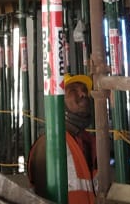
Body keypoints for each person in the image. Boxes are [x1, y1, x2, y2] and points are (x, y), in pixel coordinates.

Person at [27, 74, 96, 204]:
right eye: (73, 91)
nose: (83, 94)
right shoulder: (47, 146)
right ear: (59, 101)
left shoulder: (90, 142)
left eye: (84, 90)